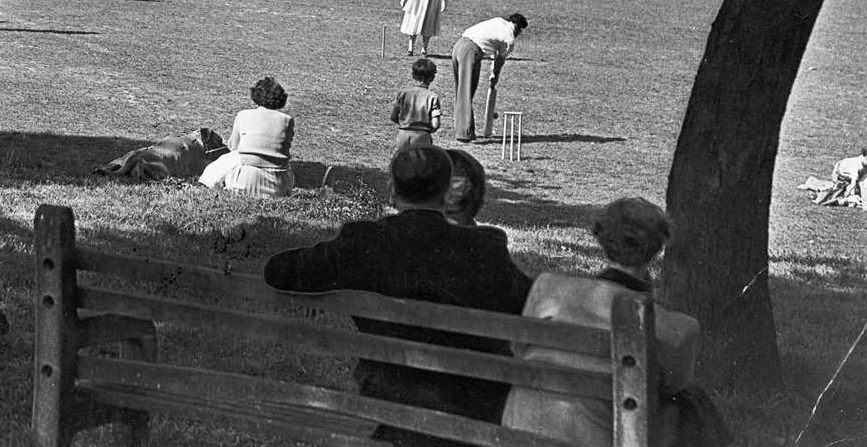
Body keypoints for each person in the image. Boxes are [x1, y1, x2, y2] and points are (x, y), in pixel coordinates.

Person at [265, 148, 533, 442]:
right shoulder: (484, 248)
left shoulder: (364, 242)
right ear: (446, 195)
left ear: (392, 191)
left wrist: (315, 290)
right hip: (476, 415)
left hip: (392, 408)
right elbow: (530, 305)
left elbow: (278, 270)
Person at [503, 198, 724, 447]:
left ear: (601, 238)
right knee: (690, 404)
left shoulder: (548, 289)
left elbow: (519, 350)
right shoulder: (677, 329)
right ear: (659, 246)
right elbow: (676, 386)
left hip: (519, 430)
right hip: (600, 438)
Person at [198, 75, 295, 198]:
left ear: (256, 96)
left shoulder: (243, 115)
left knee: (233, 156)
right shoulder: (287, 120)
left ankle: (207, 182)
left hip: (244, 183)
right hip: (278, 186)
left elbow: (233, 146)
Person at [450, 12, 529, 142]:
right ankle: (463, 134)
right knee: (465, 92)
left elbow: (494, 53)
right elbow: (499, 61)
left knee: (464, 91)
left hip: (459, 45)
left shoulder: (498, 21)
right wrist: (494, 78)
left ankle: (466, 130)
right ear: (518, 28)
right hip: (470, 51)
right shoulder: (509, 38)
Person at [390, 58, 443, 155]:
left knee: (400, 163)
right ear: (432, 78)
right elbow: (435, 124)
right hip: (422, 137)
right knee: (421, 165)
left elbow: (393, 116)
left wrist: (405, 124)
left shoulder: (403, 94)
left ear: (413, 75)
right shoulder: (432, 97)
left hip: (403, 135)